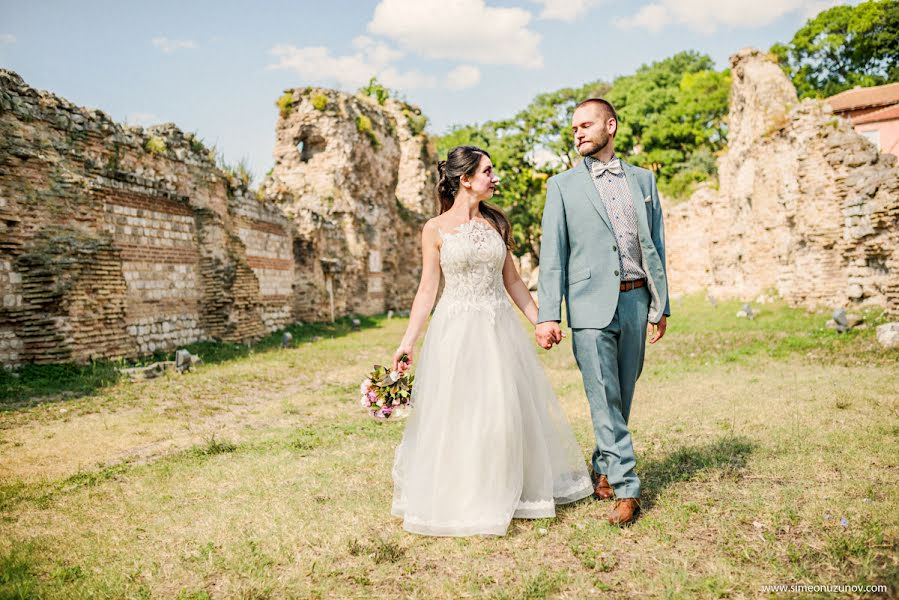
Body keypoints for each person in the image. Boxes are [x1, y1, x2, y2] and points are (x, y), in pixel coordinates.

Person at [390, 145, 593, 537]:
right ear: (465, 179)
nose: (494, 177)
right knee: (459, 410)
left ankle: (507, 487)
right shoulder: (434, 229)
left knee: (502, 409)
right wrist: (407, 342)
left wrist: (541, 320)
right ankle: (461, 491)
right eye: (487, 171)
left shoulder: (496, 224)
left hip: (498, 327)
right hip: (455, 329)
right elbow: (426, 291)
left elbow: (513, 281)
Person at [535, 98, 670, 526]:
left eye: (586, 125)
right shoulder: (561, 186)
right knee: (603, 399)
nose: (577, 133)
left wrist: (660, 303)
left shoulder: (645, 181)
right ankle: (628, 488)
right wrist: (547, 313)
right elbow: (552, 254)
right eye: (574, 127)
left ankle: (604, 467)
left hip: (635, 300)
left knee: (621, 397)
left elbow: (657, 245)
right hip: (589, 306)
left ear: (610, 125)